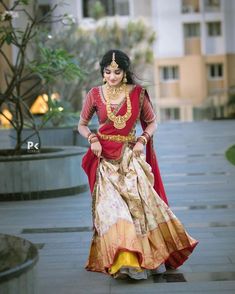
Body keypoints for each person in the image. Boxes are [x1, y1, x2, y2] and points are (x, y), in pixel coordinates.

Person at [77, 49, 198, 280]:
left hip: (131, 160)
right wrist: (92, 138)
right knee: (113, 211)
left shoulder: (138, 94)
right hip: (105, 161)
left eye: (117, 72)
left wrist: (143, 140)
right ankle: (125, 261)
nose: (112, 76)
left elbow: (152, 123)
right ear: (102, 73)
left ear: (125, 73)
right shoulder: (94, 94)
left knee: (140, 211)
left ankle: (144, 257)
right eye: (107, 72)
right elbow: (82, 125)